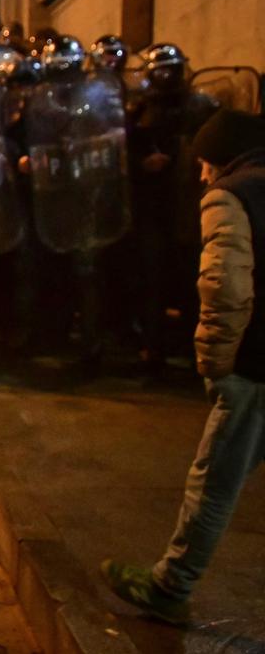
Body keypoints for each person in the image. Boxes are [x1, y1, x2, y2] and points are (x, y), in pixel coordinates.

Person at [103, 108, 265, 625]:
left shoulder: (231, 196)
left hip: (256, 362)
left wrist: (219, 367)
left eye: (203, 163)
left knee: (215, 481)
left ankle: (171, 586)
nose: (199, 174)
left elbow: (225, 285)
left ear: (221, 159)